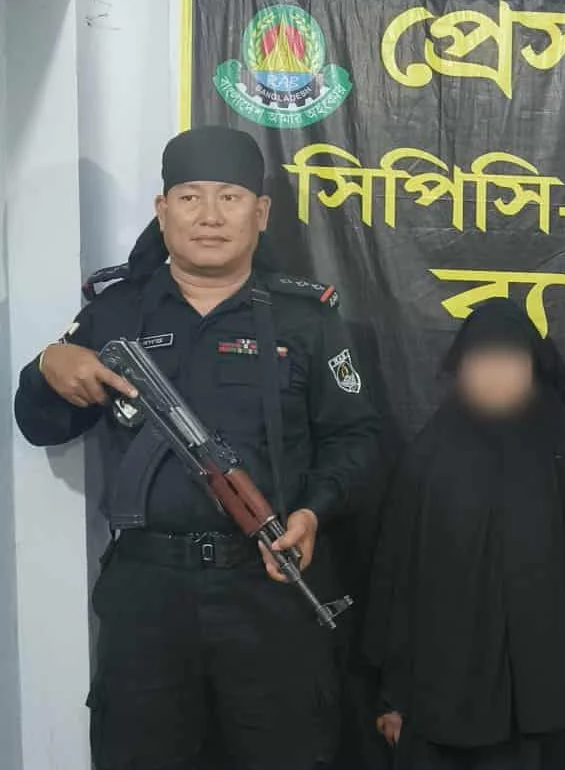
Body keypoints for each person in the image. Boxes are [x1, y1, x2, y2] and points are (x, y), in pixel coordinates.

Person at [12, 125, 382, 770]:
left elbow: (358, 439)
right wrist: (47, 365)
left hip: (267, 584)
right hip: (147, 594)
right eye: (189, 198)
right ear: (163, 211)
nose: (210, 216)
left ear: (260, 214)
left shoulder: (307, 319)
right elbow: (42, 425)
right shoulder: (115, 313)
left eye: (230, 198)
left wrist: (313, 511)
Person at [365, 298, 565, 770]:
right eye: (482, 360)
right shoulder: (428, 458)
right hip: (444, 702)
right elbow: (395, 579)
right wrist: (392, 694)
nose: (495, 374)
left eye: (509, 359)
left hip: (553, 698)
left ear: (533, 367)